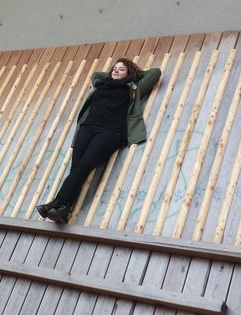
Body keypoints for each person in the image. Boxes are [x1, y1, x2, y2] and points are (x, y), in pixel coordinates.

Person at [37, 58, 161, 223]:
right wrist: (115, 74)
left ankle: (55, 203)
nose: (116, 71)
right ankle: (64, 211)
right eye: (114, 68)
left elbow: (155, 73)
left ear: (130, 73)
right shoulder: (102, 85)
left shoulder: (133, 88)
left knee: (83, 167)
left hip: (110, 133)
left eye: (121, 69)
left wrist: (133, 75)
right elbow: (96, 75)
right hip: (87, 128)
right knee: (76, 169)